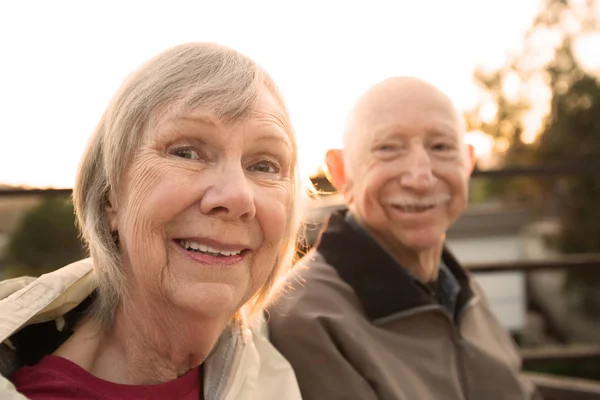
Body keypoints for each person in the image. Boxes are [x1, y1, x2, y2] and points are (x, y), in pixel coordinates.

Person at [0, 42, 304, 400]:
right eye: (186, 152)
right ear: (110, 196)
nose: (238, 197)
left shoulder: (282, 368)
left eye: (264, 166)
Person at [268, 77, 540, 400]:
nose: (421, 178)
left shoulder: (459, 287)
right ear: (341, 173)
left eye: (441, 147)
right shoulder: (305, 319)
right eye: (388, 148)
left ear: (467, 161)